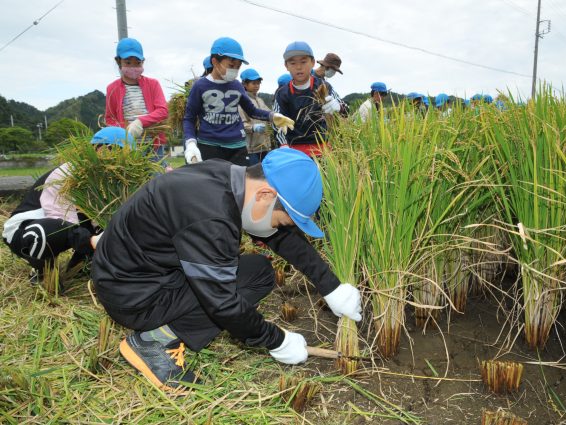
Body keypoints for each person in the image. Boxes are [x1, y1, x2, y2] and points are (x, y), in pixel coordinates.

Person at [90, 148, 363, 391]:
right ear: (266, 195)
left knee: (259, 272)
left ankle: (165, 330)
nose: (280, 228)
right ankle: (155, 341)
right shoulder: (210, 217)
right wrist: (276, 340)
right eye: (284, 221)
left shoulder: (231, 179)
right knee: (229, 293)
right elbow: (222, 304)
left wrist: (331, 286)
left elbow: (276, 233)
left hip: (147, 271)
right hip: (133, 295)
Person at [2, 127, 129, 288]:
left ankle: (81, 265)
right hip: (26, 230)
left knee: (106, 230)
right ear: (100, 149)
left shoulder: (104, 183)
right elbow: (58, 219)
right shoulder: (66, 174)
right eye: (120, 155)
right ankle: (42, 273)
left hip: (67, 228)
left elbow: (100, 221)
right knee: (49, 232)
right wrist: (90, 241)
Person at [183, 37, 293, 166]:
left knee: (241, 183)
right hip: (209, 145)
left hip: (237, 146)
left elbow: (252, 111)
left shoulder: (236, 86)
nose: (234, 70)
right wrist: (190, 142)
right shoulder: (200, 86)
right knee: (215, 184)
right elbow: (189, 118)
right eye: (231, 65)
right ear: (215, 62)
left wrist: (272, 116)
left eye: (238, 67)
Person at [273, 41, 344, 157]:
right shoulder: (282, 94)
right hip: (294, 151)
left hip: (323, 149)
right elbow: (277, 123)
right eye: (293, 63)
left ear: (312, 63)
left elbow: (346, 110)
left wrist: (339, 107)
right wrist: (283, 145)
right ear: (286, 66)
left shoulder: (324, 86)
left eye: (303, 62)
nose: (299, 67)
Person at [105, 38, 169, 166]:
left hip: (153, 146)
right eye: (128, 63)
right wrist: (125, 131)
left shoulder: (153, 84)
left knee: (156, 181)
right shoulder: (112, 89)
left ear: (142, 62)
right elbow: (109, 119)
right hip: (127, 148)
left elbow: (162, 111)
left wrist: (140, 122)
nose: (133, 67)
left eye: (137, 63)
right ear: (118, 62)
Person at [239, 68, 273, 165]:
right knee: (254, 176)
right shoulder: (242, 101)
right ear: (245, 84)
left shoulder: (260, 100)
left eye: (258, 83)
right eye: (253, 83)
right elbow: (240, 124)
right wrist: (253, 127)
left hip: (265, 146)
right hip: (250, 148)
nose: (257, 86)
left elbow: (269, 114)